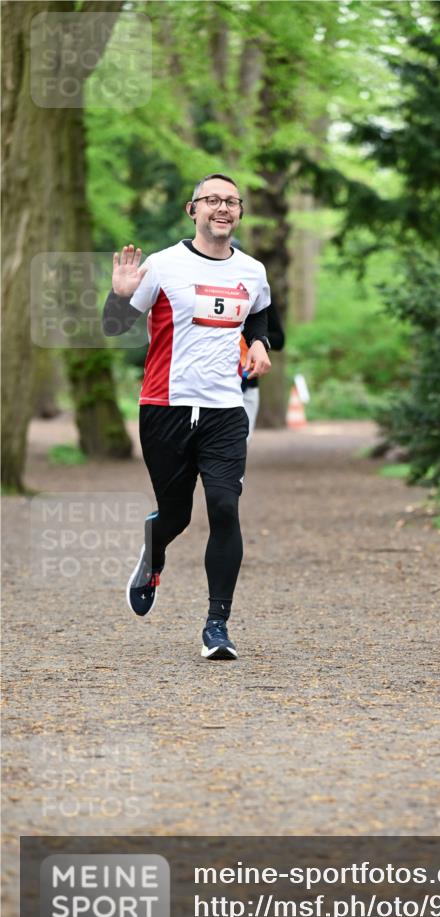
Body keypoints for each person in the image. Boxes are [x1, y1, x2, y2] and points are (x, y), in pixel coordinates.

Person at [102, 172, 273, 660]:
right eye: (212, 200)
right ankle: (153, 549)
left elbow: (259, 311)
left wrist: (258, 342)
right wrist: (118, 294)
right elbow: (114, 327)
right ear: (192, 210)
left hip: (225, 409)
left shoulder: (253, 270)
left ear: (239, 212)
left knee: (223, 506)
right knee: (176, 514)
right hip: (165, 408)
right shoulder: (162, 266)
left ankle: (217, 625)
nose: (222, 208)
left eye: (231, 201)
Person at [232, 239, 285, 437]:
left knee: (238, 449)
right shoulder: (203, 293)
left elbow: (279, 340)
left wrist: (256, 339)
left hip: (247, 384)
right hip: (209, 384)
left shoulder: (256, 292)